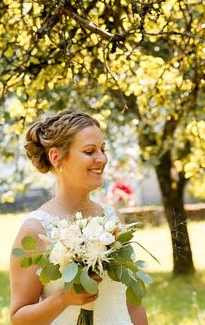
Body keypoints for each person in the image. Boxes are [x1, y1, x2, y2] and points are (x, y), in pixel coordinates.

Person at [10, 110, 148, 325]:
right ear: (56, 157)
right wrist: (64, 298)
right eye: (89, 151)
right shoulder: (36, 228)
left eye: (102, 149)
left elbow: (133, 302)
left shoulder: (113, 219)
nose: (101, 159)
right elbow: (19, 319)